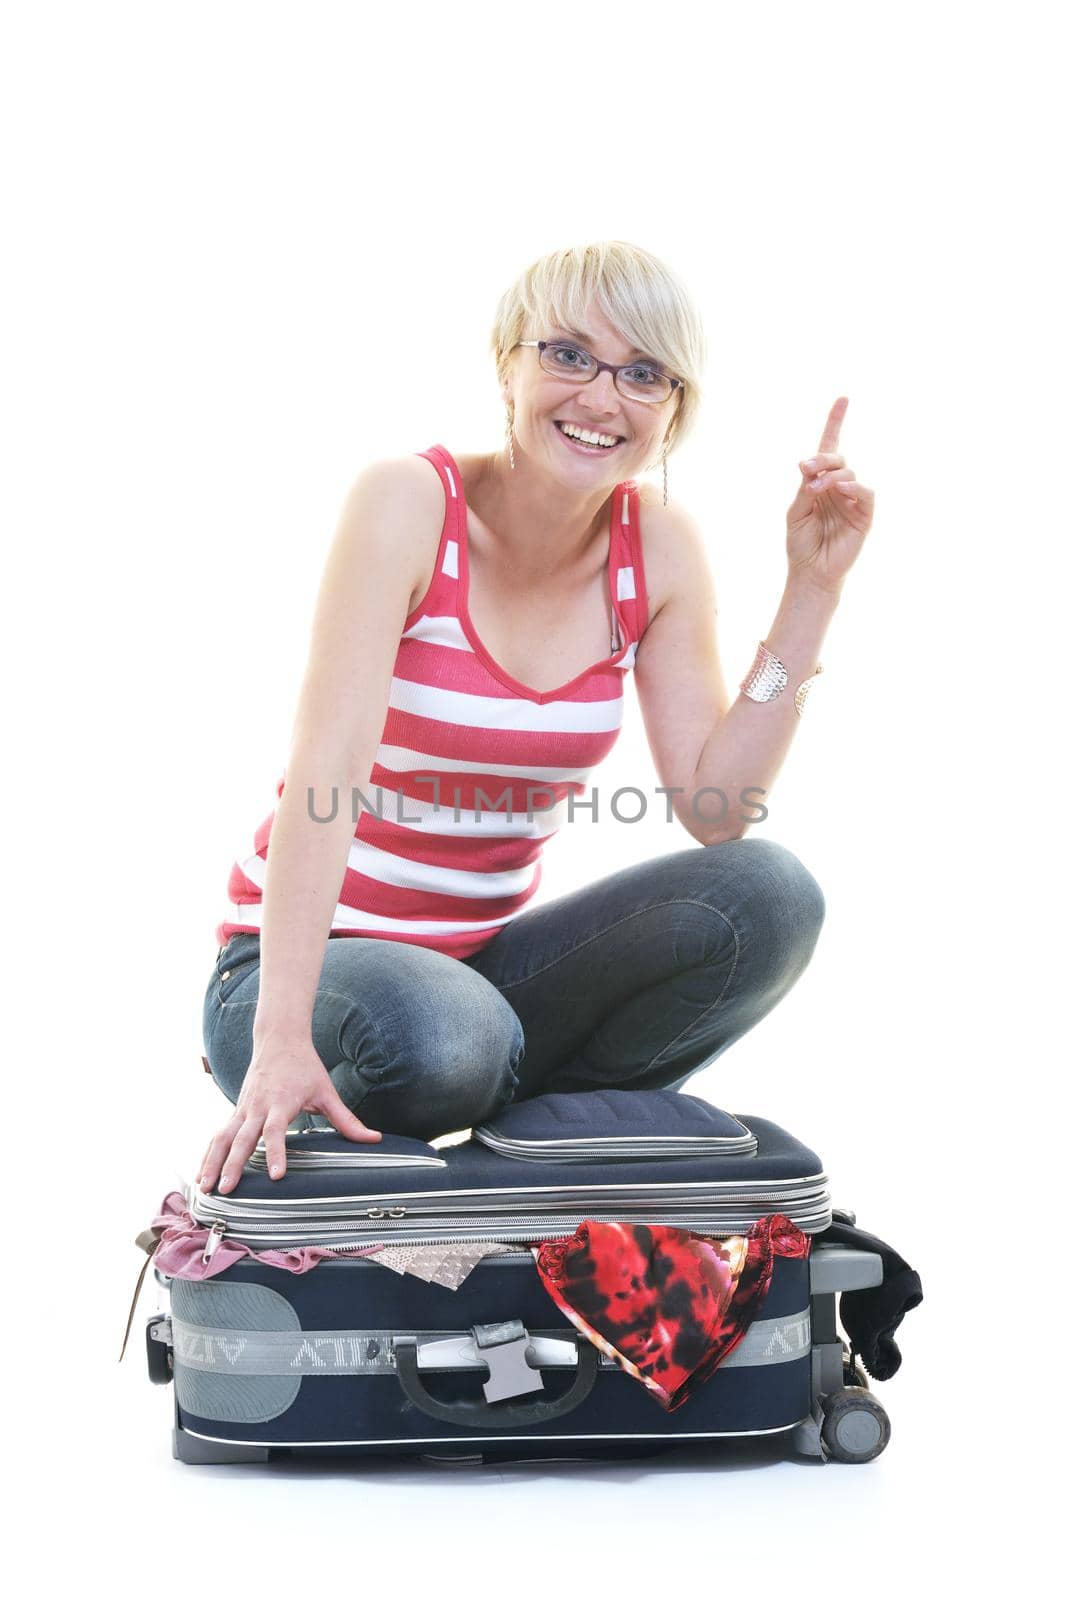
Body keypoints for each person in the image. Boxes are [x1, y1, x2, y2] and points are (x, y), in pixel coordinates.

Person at [197, 240, 875, 1196]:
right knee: (444, 1038)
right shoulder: (407, 503)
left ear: (673, 410)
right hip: (296, 977)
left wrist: (810, 590)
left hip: (479, 980)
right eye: (567, 354)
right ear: (506, 362)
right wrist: (276, 1041)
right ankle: (439, 1101)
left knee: (767, 895)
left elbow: (716, 809)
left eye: (643, 373)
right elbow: (326, 771)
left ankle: (537, 1158)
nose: (601, 399)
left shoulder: (660, 548)